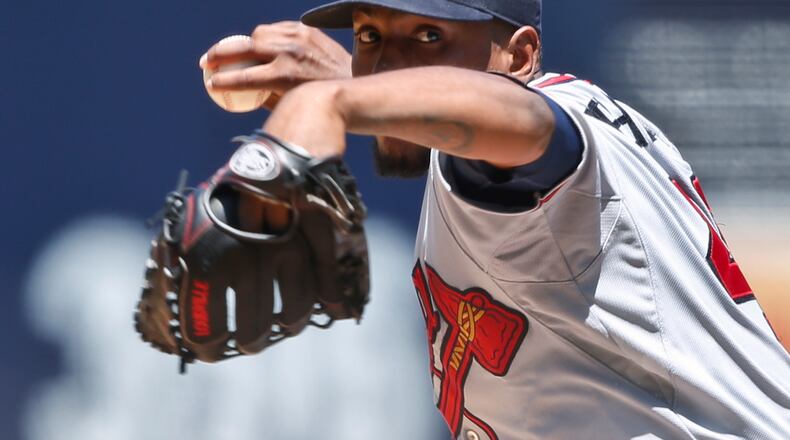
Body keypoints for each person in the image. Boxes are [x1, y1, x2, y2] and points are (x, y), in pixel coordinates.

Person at [200, 1, 790, 438]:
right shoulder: (572, 137)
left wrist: (334, 100)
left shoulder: (543, 139)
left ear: (522, 56)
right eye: (372, 35)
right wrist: (350, 84)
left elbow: (518, 120)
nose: (388, 63)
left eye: (430, 34)